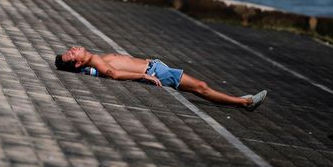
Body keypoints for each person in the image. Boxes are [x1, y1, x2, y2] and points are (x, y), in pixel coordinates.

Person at [55, 46, 268, 111]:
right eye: (72, 54)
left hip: (155, 67)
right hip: (157, 72)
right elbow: (114, 73)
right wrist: (143, 74)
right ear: (78, 63)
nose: (73, 49)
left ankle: (243, 101)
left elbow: (119, 65)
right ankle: (245, 102)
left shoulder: (92, 62)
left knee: (199, 87)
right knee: (201, 87)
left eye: (70, 49)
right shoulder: (95, 62)